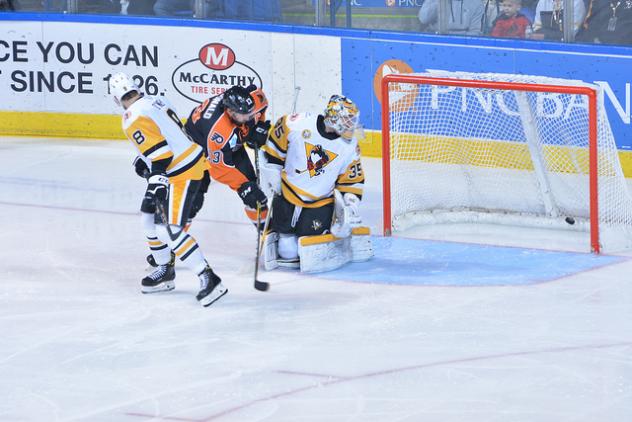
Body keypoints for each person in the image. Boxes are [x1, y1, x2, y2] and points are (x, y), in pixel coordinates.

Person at [109, 72, 227, 307]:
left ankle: (209, 278)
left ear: (116, 100)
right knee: (148, 217)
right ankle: (165, 270)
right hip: (185, 164)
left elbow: (161, 154)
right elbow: (169, 135)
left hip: (183, 172)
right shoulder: (157, 100)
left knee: (167, 229)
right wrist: (148, 164)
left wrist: (156, 178)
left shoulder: (131, 116)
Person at [259, 95, 372, 272]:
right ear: (334, 117)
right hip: (288, 194)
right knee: (287, 251)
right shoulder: (297, 124)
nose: (352, 124)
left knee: (306, 250)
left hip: (321, 202)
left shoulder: (349, 146)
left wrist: (350, 205)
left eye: (352, 120)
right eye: (347, 119)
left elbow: (352, 180)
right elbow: (274, 147)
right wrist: (272, 172)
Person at [184, 85, 271, 229]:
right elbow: (219, 169)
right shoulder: (218, 134)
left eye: (250, 114)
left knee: (253, 192)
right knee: (192, 199)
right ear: (230, 111)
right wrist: (243, 187)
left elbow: (261, 107)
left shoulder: (253, 100)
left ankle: (266, 229)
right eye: (244, 116)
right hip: (195, 149)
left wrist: (258, 126)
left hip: (225, 145)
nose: (248, 117)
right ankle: (173, 241)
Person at [418, 0, 485, 36]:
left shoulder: (477, 3)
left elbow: (475, 34)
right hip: (435, 42)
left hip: (462, 46)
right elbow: (423, 19)